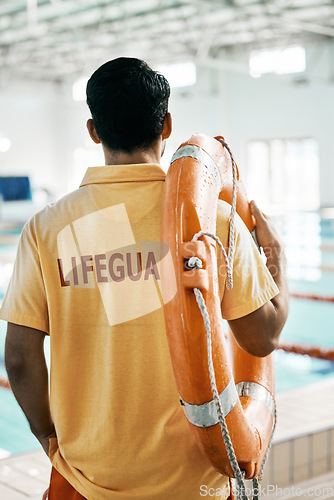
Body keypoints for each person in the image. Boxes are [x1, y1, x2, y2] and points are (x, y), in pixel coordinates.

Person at [0, 57, 289, 500]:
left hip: (87, 480)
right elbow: (262, 337)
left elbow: (19, 359)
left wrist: (47, 436)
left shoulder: (47, 228)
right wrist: (277, 258)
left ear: (94, 130)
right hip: (196, 484)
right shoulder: (216, 222)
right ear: (167, 125)